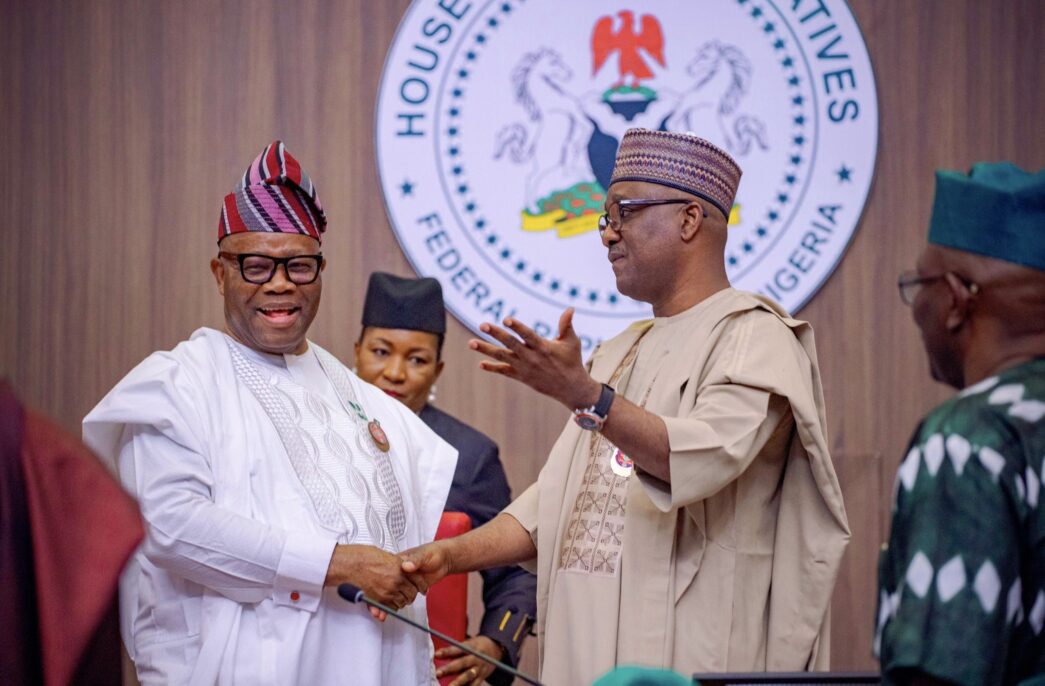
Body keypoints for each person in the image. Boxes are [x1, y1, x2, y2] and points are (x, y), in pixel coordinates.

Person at [400, 128, 851, 683]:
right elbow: (550, 510)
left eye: (625, 212)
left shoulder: (755, 338)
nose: (608, 234)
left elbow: (696, 458)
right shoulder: (619, 351)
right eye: (604, 217)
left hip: (687, 662)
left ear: (689, 220)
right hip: (583, 658)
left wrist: (584, 395)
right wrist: (448, 558)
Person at [82, 141, 457, 685]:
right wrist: (343, 563)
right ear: (220, 273)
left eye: (299, 265)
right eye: (256, 265)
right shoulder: (177, 385)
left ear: (320, 272)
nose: (280, 283)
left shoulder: (356, 394)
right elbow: (173, 527)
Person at [876, 163, 1045, 685]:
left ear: (954, 298)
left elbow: (943, 672)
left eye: (917, 284)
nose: (915, 307)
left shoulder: (967, 441)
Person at [353, 272, 537, 686]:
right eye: (381, 351)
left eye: (416, 360)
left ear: (437, 371)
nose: (395, 373)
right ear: (356, 352)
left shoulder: (468, 456)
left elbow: (515, 570)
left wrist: (495, 644)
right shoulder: (316, 434)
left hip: (421, 666)